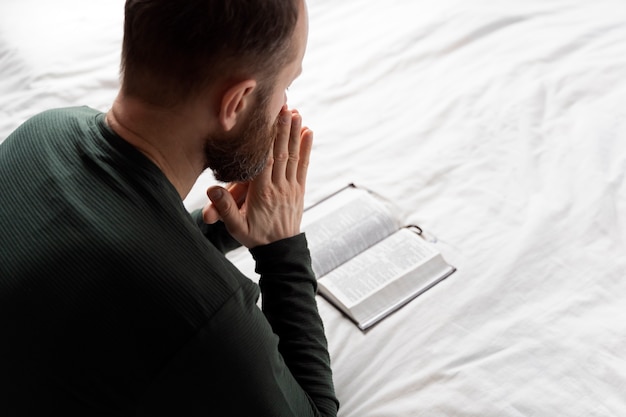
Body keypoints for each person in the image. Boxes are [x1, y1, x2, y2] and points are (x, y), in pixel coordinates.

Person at [0, 0, 339, 415]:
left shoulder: (42, 131)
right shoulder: (210, 317)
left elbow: (92, 254)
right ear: (236, 103)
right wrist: (280, 250)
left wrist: (214, 230)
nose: (285, 107)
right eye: (285, 84)